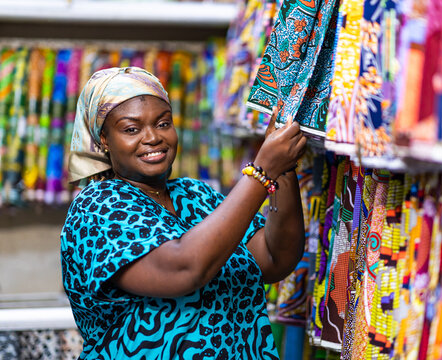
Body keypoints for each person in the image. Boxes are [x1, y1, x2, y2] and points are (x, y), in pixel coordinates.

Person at [61, 67, 307, 359]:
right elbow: (184, 269)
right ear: (104, 140)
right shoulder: (97, 207)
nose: (152, 137)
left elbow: (274, 259)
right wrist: (262, 170)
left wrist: (283, 170)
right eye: (131, 129)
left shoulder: (197, 195)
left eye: (163, 123)